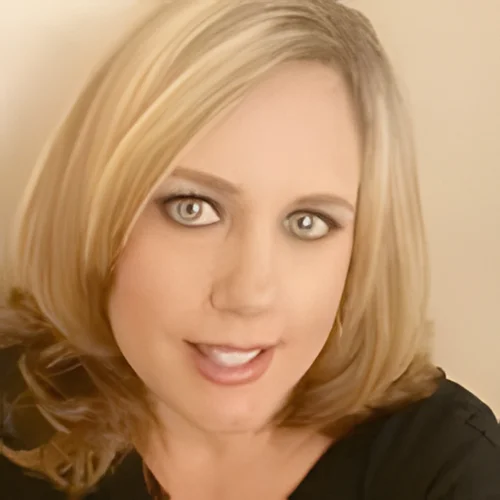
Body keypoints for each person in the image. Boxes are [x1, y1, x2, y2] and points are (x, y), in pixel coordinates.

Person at [0, 0, 499, 499]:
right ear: (95, 214)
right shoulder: (13, 410)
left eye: (308, 222)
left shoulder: (445, 467)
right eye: (193, 208)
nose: (249, 294)